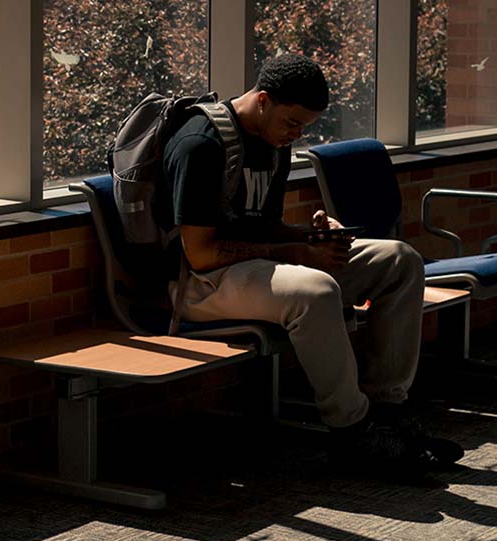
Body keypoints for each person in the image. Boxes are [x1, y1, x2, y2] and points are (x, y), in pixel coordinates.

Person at [156, 54, 462, 475]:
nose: (298, 134)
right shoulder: (201, 145)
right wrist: (296, 254)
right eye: (294, 122)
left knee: (399, 261)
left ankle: (387, 416)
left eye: (306, 126)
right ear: (263, 100)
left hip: (252, 270)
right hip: (195, 286)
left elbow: (263, 227)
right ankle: (352, 432)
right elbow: (201, 253)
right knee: (315, 291)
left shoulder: (272, 142)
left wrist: (310, 236)